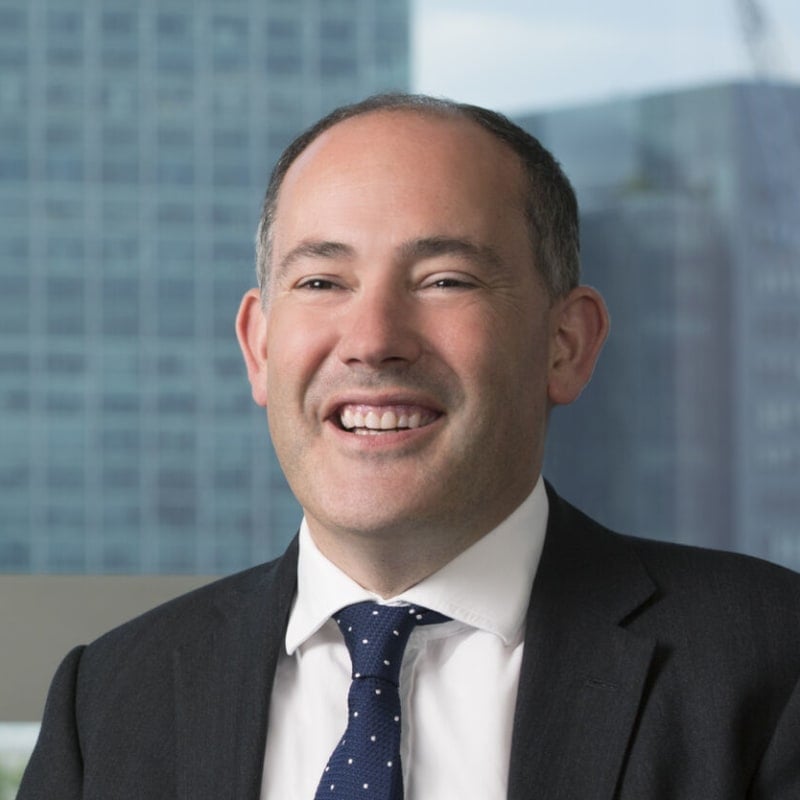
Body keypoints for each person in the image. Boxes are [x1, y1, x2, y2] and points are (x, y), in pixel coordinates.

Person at [18, 94, 800, 800]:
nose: (373, 340)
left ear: (566, 343)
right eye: (322, 282)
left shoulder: (769, 659)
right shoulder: (109, 699)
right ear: (259, 347)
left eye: (445, 280)